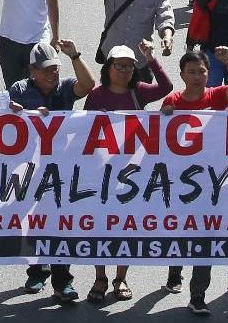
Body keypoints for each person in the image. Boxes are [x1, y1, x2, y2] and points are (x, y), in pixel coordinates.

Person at [80, 40, 171, 302]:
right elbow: (86, 130)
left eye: (130, 67)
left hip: (132, 172)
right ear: (108, 67)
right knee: (100, 228)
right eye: (119, 66)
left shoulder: (138, 92)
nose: (124, 71)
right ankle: (100, 277)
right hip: (101, 172)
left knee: (126, 228)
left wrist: (151, 58)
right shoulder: (96, 96)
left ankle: (120, 278)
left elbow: (165, 88)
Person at [159, 47, 228, 308]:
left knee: (202, 240)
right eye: (192, 72)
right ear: (183, 75)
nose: (198, 76)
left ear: (209, 73)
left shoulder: (217, 96)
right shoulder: (173, 100)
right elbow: (160, 138)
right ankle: (175, 270)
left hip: (212, 183)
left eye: (202, 71)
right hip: (181, 183)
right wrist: (165, 116)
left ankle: (197, 297)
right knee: (180, 232)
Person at [8, 40, 94, 303]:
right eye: (46, 69)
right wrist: (21, 112)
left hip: (62, 167)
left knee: (60, 224)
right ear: (32, 71)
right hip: (30, 167)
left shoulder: (66, 87)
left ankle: (62, 281)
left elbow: (88, 86)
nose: (52, 73)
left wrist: (75, 56)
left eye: (55, 68)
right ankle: (36, 271)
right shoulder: (20, 89)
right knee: (33, 222)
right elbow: (4, 115)